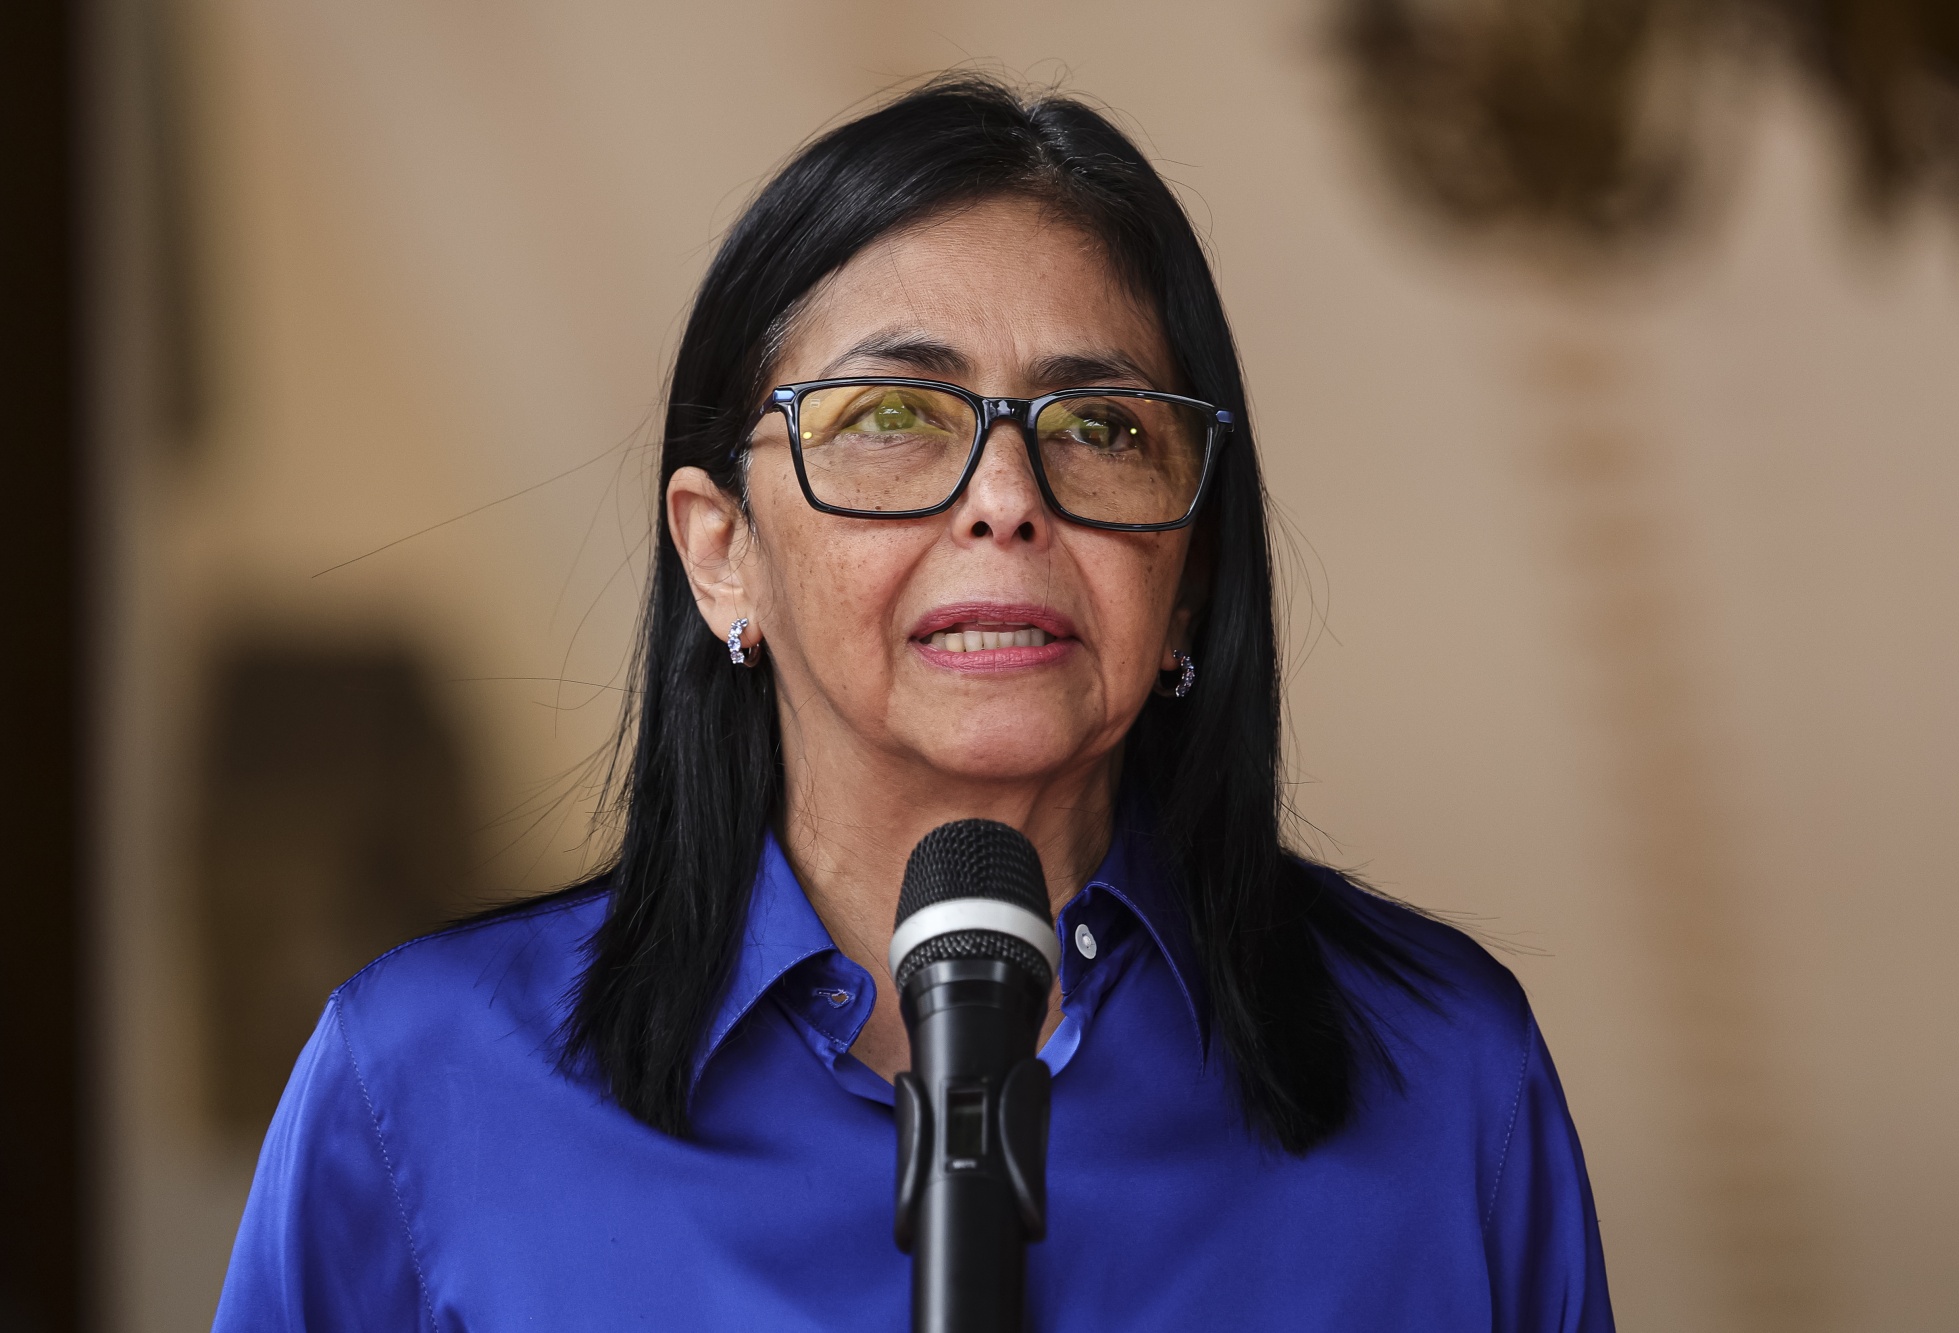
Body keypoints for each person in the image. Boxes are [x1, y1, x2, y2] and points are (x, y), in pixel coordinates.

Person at [213, 77, 1612, 1331]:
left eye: (1103, 428)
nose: (1007, 500)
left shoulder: (1442, 1084)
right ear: (721, 552)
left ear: (1190, 581)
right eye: (893, 418)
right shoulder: (429, 1091)